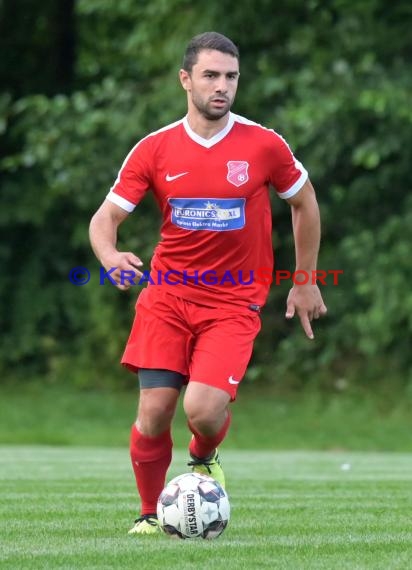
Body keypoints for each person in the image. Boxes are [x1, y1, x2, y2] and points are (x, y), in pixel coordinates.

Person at [89, 31, 327, 535]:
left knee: (201, 409)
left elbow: (303, 203)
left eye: (231, 77)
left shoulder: (264, 145)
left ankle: (203, 455)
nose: (222, 86)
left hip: (234, 299)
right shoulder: (154, 149)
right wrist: (109, 256)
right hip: (168, 297)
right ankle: (150, 515)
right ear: (185, 80)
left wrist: (304, 280)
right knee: (154, 411)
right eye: (211, 76)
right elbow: (104, 219)